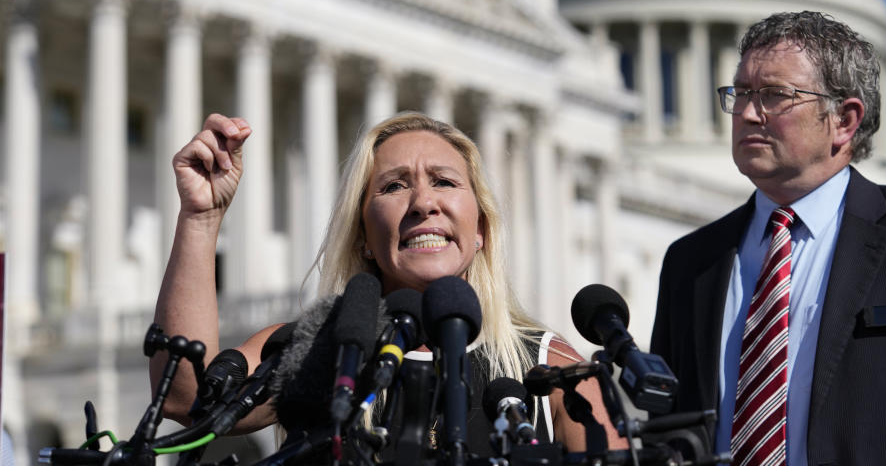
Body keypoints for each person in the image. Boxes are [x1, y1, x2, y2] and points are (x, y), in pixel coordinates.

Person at [151, 111, 627, 453]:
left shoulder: (549, 368)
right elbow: (184, 399)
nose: (423, 202)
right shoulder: (314, 349)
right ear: (362, 237)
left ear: (480, 230)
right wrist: (201, 217)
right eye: (394, 186)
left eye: (444, 181)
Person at [650, 11, 886, 465]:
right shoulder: (691, 262)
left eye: (776, 95)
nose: (748, 113)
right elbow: (667, 432)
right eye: (741, 93)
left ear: (844, 120)